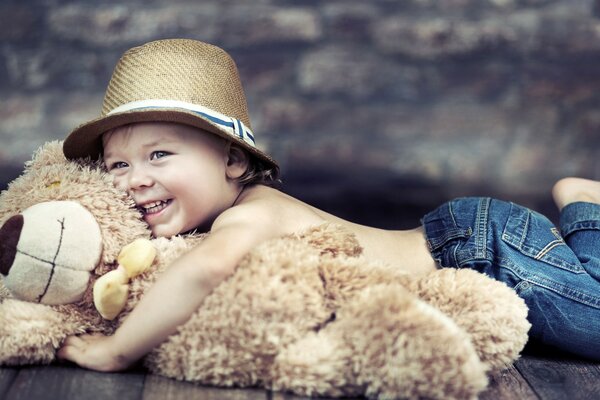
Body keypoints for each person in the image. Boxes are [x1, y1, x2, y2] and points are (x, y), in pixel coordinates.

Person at [56, 39, 600, 370]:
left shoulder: (251, 213)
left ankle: (583, 206)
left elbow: (209, 269)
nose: (134, 180)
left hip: (482, 251)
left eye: (159, 154)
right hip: (460, 237)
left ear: (232, 161)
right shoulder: (214, 218)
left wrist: (117, 350)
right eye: (118, 165)